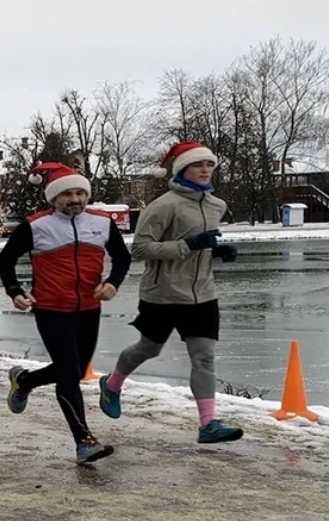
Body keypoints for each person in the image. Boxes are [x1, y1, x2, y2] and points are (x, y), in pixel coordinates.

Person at [97, 141, 244, 444]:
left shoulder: (217, 205)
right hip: (162, 294)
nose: (205, 170)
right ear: (182, 170)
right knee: (148, 350)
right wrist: (189, 245)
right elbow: (141, 248)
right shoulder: (163, 206)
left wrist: (216, 251)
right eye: (197, 165)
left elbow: (202, 245)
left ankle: (208, 424)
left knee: (203, 357)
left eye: (209, 164)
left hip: (202, 294)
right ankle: (111, 385)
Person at [0, 161, 132, 465]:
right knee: (69, 372)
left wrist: (112, 282)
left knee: (76, 369)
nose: (75, 199)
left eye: (80, 193)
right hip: (51, 308)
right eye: (67, 194)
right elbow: (5, 259)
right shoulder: (36, 226)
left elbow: (122, 257)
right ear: (53, 198)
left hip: (89, 308)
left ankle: (26, 381)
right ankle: (83, 441)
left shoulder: (102, 224)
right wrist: (15, 291)